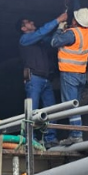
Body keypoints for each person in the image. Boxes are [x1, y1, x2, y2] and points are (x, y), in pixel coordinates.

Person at [51, 0, 88, 145]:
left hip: (69, 74)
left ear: (76, 21)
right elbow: (78, 13)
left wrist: (60, 27)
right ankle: (77, 133)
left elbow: (54, 42)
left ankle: (76, 135)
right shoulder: (86, 32)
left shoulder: (71, 34)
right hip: (81, 74)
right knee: (76, 104)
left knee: (71, 105)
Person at [18, 16, 62, 146]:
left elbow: (52, 40)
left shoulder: (40, 41)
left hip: (45, 79)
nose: (32, 21)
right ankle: (30, 138)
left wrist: (60, 29)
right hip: (34, 79)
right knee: (32, 110)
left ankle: (50, 138)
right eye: (28, 21)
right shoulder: (24, 39)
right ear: (23, 28)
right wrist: (58, 20)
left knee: (51, 109)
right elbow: (42, 32)